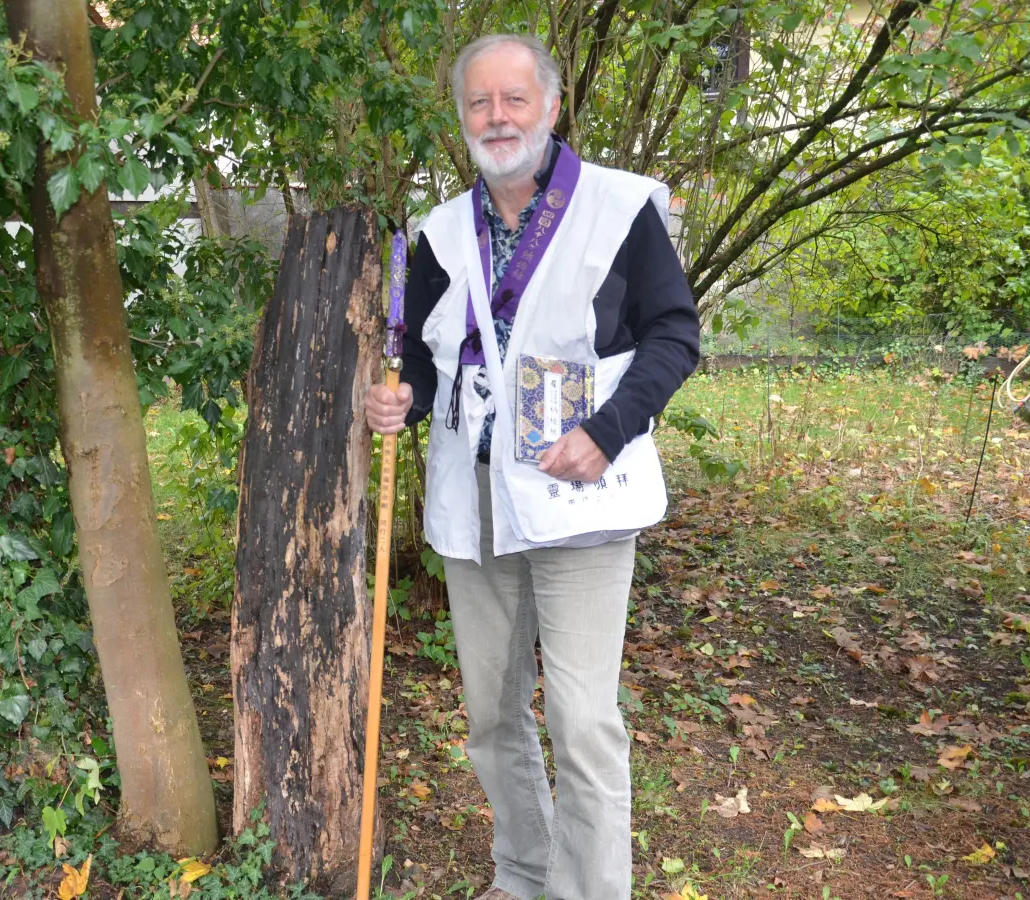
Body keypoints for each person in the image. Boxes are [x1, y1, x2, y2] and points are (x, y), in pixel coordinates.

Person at [365, 33, 700, 900]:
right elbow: (436, 358)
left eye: (515, 99)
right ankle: (522, 877)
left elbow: (675, 335)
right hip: (474, 494)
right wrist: (401, 396)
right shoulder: (441, 233)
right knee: (491, 716)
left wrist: (612, 428)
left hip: (580, 489)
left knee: (583, 723)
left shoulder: (622, 208)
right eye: (480, 102)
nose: (497, 116)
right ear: (462, 116)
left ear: (551, 107)